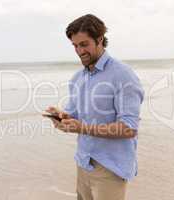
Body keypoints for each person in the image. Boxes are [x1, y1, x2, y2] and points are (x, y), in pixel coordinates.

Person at [45, 14, 144, 200]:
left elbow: (129, 128)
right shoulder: (78, 78)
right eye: (75, 46)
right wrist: (61, 118)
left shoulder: (123, 75)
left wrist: (82, 127)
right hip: (83, 163)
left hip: (110, 168)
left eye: (84, 44)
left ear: (100, 39)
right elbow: (74, 118)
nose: (79, 51)